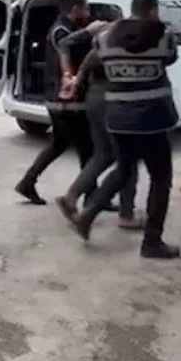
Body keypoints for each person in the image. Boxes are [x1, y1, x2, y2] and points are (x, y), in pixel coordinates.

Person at [72, 0, 181, 260]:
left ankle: (87, 215)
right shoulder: (163, 36)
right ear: (152, 9)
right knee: (161, 178)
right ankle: (152, 242)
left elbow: (95, 61)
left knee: (123, 169)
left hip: (118, 116)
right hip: (153, 117)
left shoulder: (104, 38)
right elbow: (170, 58)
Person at [14, 0, 97, 205]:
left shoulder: (65, 28)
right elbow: (67, 48)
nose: (88, 13)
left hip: (61, 99)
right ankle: (92, 197)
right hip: (66, 100)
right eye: (86, 9)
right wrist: (90, 32)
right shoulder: (61, 31)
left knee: (61, 144)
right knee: (87, 148)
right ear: (76, 9)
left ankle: (27, 182)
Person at [60, 20, 142, 231]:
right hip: (114, 102)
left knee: (103, 154)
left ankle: (71, 197)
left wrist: (71, 84)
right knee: (128, 160)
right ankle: (126, 213)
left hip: (94, 100)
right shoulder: (123, 49)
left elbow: (79, 77)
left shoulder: (96, 50)